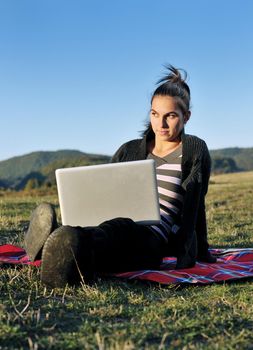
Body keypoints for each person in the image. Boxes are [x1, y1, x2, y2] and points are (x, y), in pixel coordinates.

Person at [24, 64, 216, 288]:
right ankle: (67, 248)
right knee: (108, 235)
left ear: (186, 116)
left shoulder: (194, 150)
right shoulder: (129, 150)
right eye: (155, 114)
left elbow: (196, 203)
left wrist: (201, 250)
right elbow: (105, 189)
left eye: (170, 116)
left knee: (120, 229)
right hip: (110, 227)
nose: (161, 124)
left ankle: (63, 241)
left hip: (151, 240)